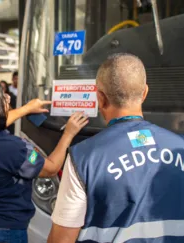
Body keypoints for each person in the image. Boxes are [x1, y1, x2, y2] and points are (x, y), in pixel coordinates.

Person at [47, 53, 184, 243]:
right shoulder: (180, 148)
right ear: (144, 93)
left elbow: (61, 240)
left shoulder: (84, 158)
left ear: (100, 98)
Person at [0, 79, 88, 243]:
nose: (8, 97)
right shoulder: (15, 148)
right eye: (2, 97)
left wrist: (26, 108)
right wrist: (68, 134)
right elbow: (51, 168)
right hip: (2, 231)